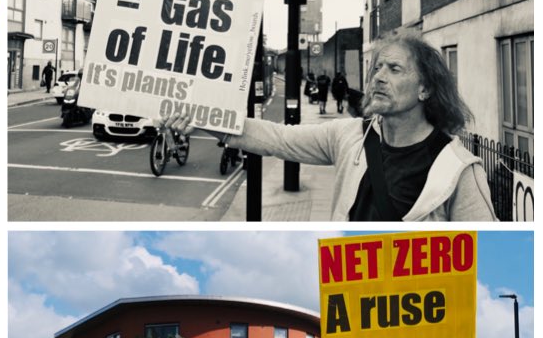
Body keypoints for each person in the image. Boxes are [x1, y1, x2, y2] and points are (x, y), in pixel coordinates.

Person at [194, 32, 496, 220]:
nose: (378, 77)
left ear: (425, 90)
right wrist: (199, 114)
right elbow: (275, 138)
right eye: (377, 67)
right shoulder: (349, 135)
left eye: (394, 69)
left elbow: (480, 252)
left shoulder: (460, 170)